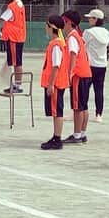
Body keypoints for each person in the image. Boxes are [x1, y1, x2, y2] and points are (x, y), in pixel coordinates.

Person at [61, 10, 92, 144]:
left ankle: (77, 134)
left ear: (69, 23)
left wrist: (69, 73)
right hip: (86, 73)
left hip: (78, 75)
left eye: (63, 21)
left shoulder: (72, 37)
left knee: (77, 107)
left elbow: (73, 55)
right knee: (83, 106)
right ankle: (82, 133)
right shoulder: (77, 36)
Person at [40, 15, 70, 150]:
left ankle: (57, 139)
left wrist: (51, 84)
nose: (45, 28)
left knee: (57, 111)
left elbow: (56, 66)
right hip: (56, 83)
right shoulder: (56, 43)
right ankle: (55, 136)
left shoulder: (56, 45)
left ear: (51, 27)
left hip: (56, 84)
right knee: (54, 111)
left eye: (46, 25)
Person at [83, 9, 109, 123]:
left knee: (84, 90)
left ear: (96, 19)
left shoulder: (88, 32)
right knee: (99, 90)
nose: (89, 19)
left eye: (91, 18)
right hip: (102, 65)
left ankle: (79, 111)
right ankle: (99, 114)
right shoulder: (107, 33)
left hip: (89, 65)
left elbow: (82, 45)